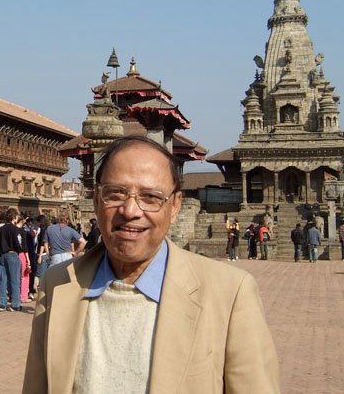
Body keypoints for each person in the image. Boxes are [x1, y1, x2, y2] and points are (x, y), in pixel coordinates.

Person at [23, 136, 279, 393]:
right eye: (115, 193)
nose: (131, 210)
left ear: (175, 205)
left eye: (150, 197)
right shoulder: (58, 284)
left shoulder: (229, 293)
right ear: (97, 199)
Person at [0, 208, 25, 312]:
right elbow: (19, 243)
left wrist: (1, 254)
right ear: (14, 217)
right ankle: (15, 304)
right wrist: (19, 249)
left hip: (3, 254)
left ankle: (1, 304)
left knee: (3, 280)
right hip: (13, 253)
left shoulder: (1, 229)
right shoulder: (15, 229)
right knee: (15, 280)